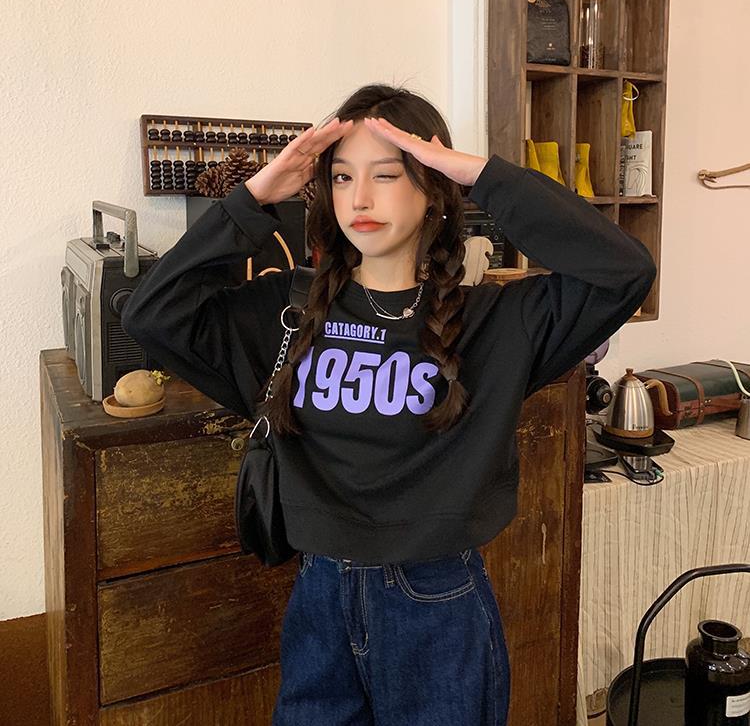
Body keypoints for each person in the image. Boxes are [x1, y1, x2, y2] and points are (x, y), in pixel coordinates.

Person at [121, 83, 656, 725]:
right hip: (319, 598)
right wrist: (254, 197)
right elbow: (151, 313)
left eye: (386, 174)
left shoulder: (496, 324)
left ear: (432, 187)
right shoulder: (289, 312)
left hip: (438, 605)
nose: (360, 199)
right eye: (342, 177)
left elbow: (624, 270)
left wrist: (481, 176)